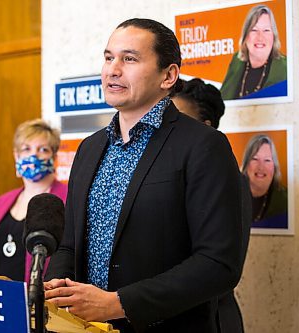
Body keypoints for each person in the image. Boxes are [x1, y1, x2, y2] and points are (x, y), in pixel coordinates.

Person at [44, 18, 244, 333]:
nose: (113, 69)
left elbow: (218, 263)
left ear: (168, 75)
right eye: (108, 57)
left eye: (130, 59)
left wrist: (117, 303)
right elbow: (69, 244)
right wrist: (57, 287)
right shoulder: (89, 148)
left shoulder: (203, 146)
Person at [173, 77, 251, 333]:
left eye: (179, 120)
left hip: (210, 320)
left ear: (206, 128)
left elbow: (220, 267)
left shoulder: (228, 180)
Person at [0, 119, 68, 282]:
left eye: (43, 149)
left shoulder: (69, 199)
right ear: (16, 156)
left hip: (43, 302)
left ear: (54, 156)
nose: (33, 155)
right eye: (26, 149)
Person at [220, 5, 287, 100]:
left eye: (266, 30)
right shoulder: (237, 60)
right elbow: (222, 99)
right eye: (254, 30)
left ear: (274, 36)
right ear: (246, 35)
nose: (260, 37)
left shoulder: (286, 68)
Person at [241, 134, 288, 228]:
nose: (261, 167)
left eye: (267, 160)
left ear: (274, 166)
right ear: (246, 164)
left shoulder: (286, 200)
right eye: (255, 159)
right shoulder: (232, 195)